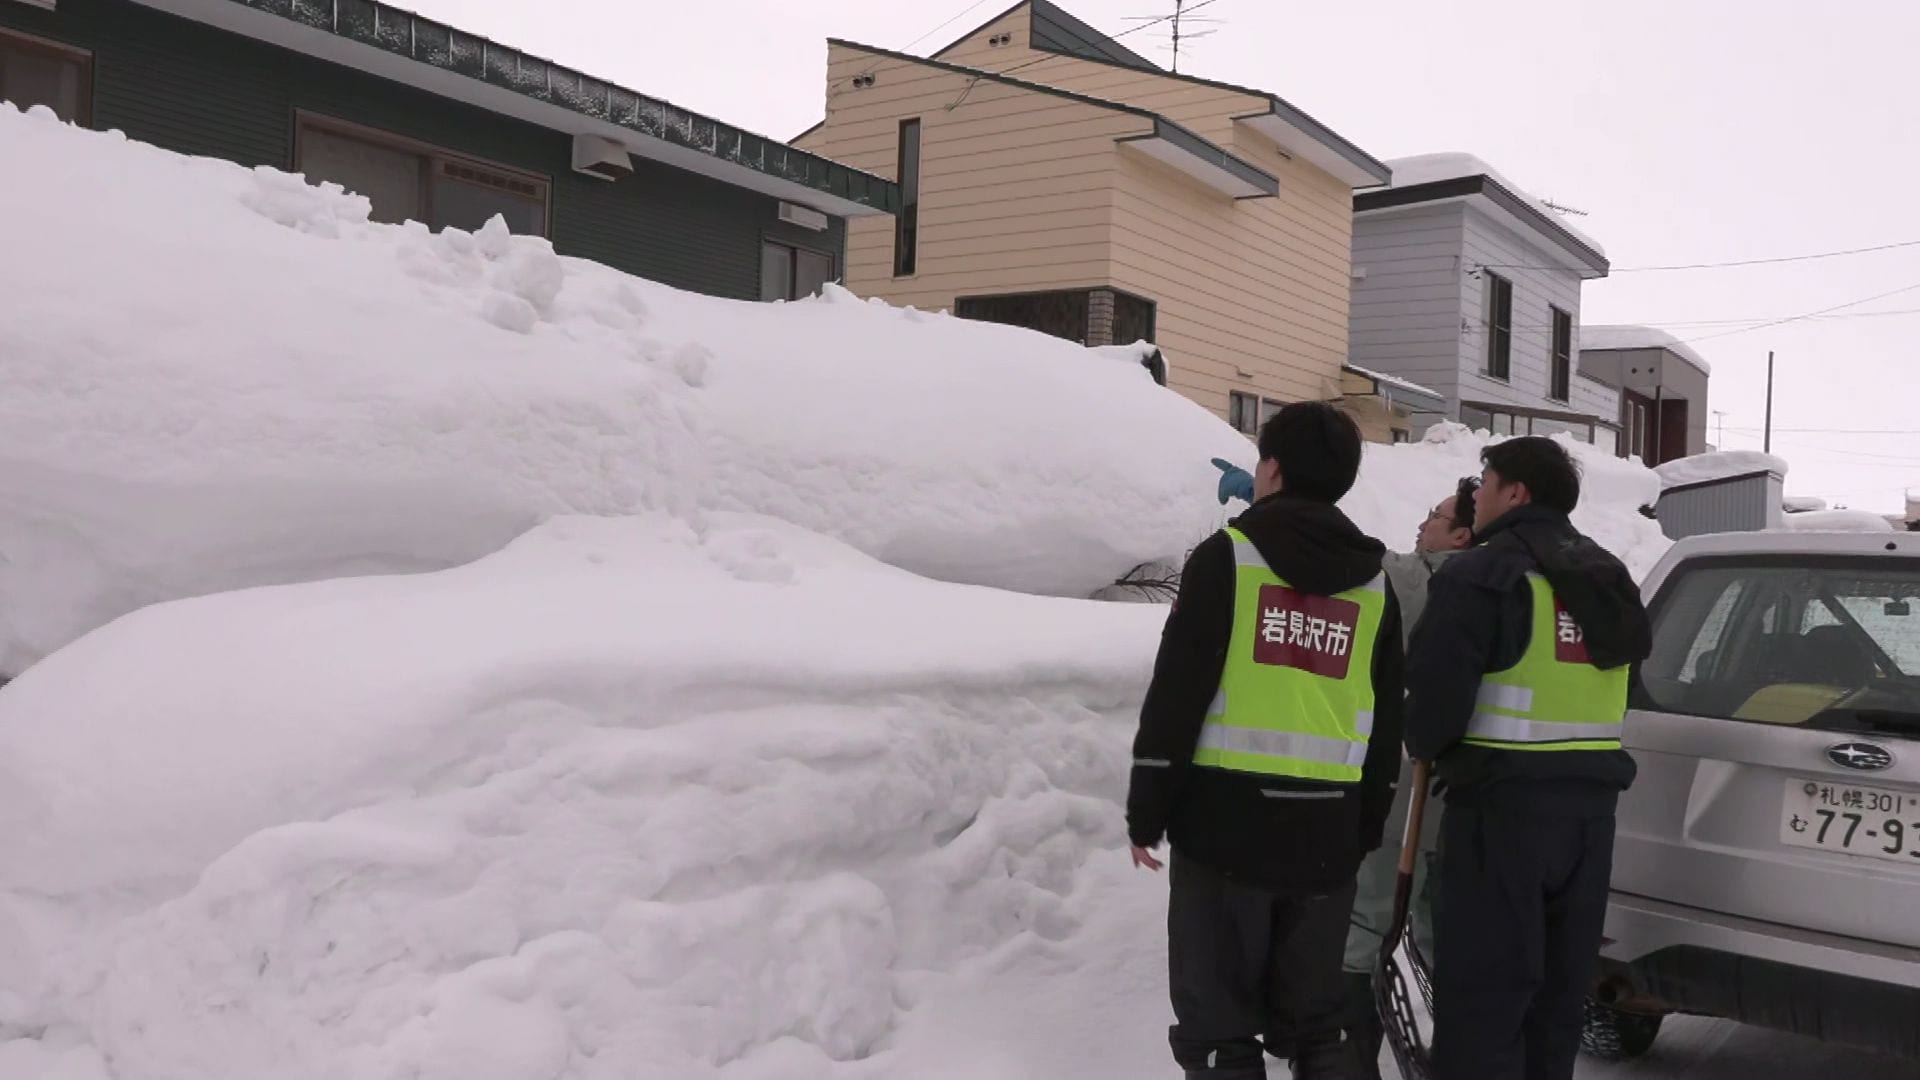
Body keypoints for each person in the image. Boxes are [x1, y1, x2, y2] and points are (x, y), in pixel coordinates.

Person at [1133, 402, 1405, 1080]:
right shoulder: (1375, 583)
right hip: (1326, 837)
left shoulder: (1228, 559)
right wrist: (1366, 823)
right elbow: (1385, 719)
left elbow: (1178, 693)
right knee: (1318, 1027)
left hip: (1225, 832)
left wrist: (1148, 809)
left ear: (1273, 470)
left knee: (1222, 1030)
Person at [1404, 437, 1651, 1080]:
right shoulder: (1609, 576)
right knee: (1554, 1002)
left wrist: (1426, 742)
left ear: (1516, 493)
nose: (1475, 495)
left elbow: (1431, 712)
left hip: (1500, 817)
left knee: (1485, 1002)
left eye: (1484, 481)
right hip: (1589, 823)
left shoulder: (1480, 574)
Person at [1338, 476, 1479, 1077]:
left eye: (1436, 515)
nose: (1423, 523)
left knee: (1368, 915)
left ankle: (1348, 1056)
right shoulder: (1506, 584)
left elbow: (1351, 557)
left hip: (1410, 771)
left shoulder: (1425, 577)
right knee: (1436, 916)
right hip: (1468, 780)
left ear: (1462, 535)